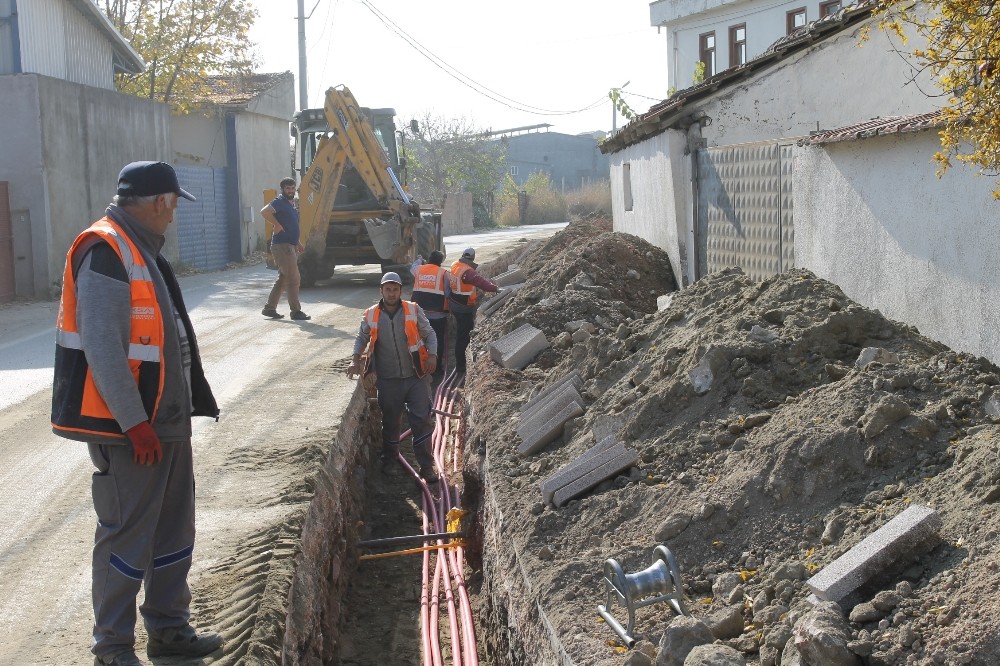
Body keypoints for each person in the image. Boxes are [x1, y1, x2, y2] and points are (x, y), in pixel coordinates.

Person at [50, 161, 222, 666]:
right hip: (132, 432)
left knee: (173, 533)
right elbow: (103, 347)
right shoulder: (107, 249)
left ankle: (169, 628)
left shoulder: (141, 248)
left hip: (165, 423)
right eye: (173, 204)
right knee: (126, 537)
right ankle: (112, 648)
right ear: (158, 202)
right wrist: (134, 423)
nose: (174, 214)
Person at [346, 272, 440, 484]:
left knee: (422, 421)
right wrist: (355, 360)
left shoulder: (413, 309)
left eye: (395, 290)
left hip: (416, 376)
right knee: (390, 422)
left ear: (400, 291)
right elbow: (361, 338)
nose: (391, 293)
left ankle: (426, 466)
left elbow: (430, 334)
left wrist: (433, 355)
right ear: (381, 291)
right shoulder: (371, 314)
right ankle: (390, 460)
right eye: (387, 290)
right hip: (388, 379)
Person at [261, 177, 310, 321]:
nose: (291, 191)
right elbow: (264, 212)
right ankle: (296, 312)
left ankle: (270, 308)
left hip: (290, 245)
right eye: (288, 188)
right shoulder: (279, 202)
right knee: (293, 279)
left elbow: (290, 226)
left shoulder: (291, 204)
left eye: (293, 188)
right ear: (282, 189)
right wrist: (276, 224)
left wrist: (297, 242)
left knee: (284, 278)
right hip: (282, 246)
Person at [448, 247, 498, 374]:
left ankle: (460, 363)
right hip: (463, 308)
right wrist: (495, 289)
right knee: (463, 336)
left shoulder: (455, 265)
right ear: (473, 258)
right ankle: (461, 366)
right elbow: (480, 282)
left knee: (461, 333)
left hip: (455, 303)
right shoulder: (468, 271)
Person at [409, 250, 451, 383]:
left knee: (419, 341)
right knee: (437, 340)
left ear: (428, 259)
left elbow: (412, 267)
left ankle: (419, 366)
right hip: (438, 314)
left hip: (418, 314)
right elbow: (448, 292)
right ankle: (436, 369)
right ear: (441, 262)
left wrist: (419, 259)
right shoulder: (444, 273)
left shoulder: (418, 269)